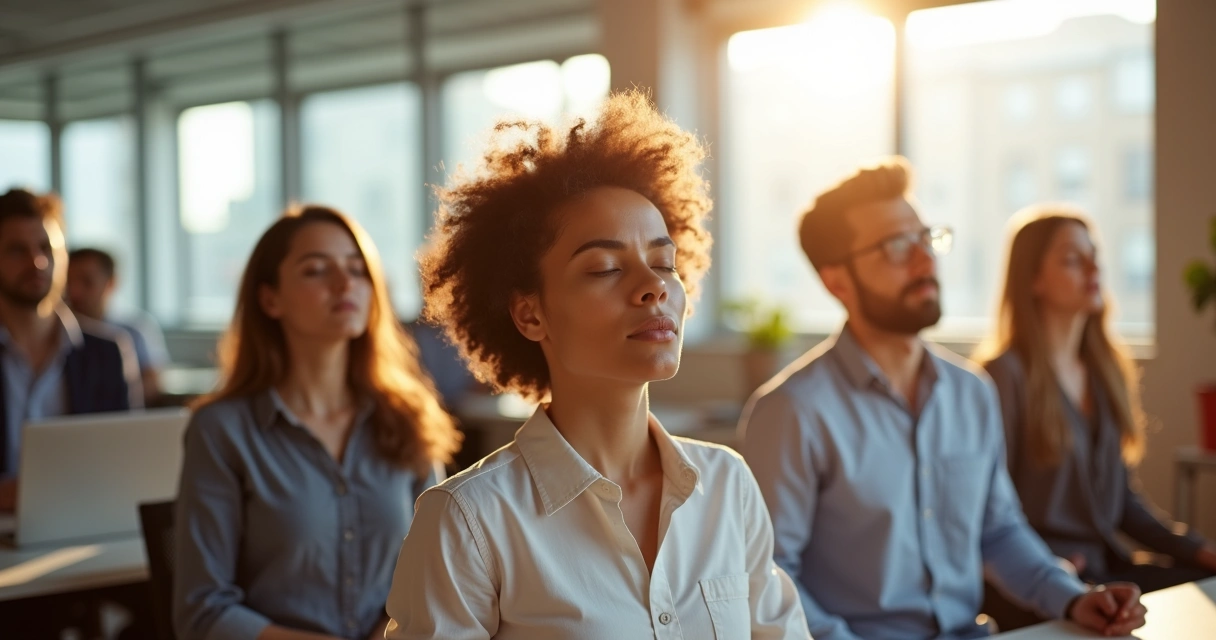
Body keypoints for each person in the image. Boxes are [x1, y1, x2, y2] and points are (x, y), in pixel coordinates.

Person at [384, 91, 810, 639]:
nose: (654, 287)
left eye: (662, 262)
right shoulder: (468, 520)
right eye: (606, 268)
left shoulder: (727, 484)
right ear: (531, 314)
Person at [738, 157, 1147, 639]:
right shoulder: (792, 411)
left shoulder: (972, 392)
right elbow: (768, 576)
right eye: (895, 245)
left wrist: (1074, 598)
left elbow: (998, 532)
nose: (924, 259)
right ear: (837, 281)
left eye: (925, 237)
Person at [173, 206, 461, 640]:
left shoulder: (407, 416)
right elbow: (203, 611)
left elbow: (435, 579)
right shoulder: (222, 430)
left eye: (356, 269)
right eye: (315, 270)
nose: (345, 284)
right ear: (270, 298)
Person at [976, 206, 1215, 622]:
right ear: (1033, 279)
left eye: (1094, 256)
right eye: (1072, 259)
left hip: (1107, 567)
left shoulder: (1104, 369)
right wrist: (1049, 570)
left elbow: (1122, 502)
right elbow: (990, 510)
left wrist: (1194, 547)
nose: (1093, 268)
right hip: (1045, 582)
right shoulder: (1002, 378)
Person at [0, 188, 140, 511]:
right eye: (16, 251)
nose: (37, 262)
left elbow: (125, 466)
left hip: (82, 526)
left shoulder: (108, 354)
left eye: (47, 248)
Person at [67, 246, 171, 404]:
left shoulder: (135, 328)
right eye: (68, 282)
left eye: (87, 282)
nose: (75, 291)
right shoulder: (56, 331)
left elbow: (152, 384)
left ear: (111, 283)